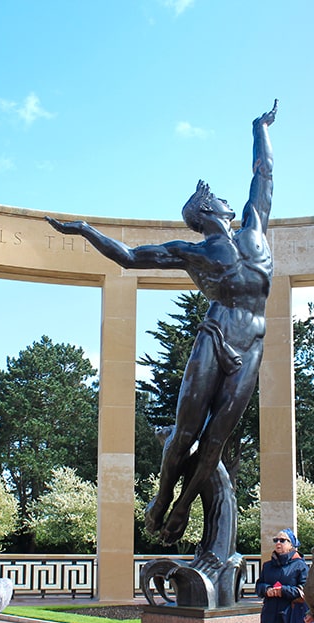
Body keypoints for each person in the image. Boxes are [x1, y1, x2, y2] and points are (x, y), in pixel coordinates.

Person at [45, 101, 277, 553]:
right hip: (216, 336)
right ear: (209, 208)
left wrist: (259, 128)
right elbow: (130, 258)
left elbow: (264, 174)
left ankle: (184, 505)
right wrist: (86, 230)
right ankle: (164, 490)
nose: (232, 199)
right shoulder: (193, 251)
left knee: (217, 437)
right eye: (221, 198)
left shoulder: (256, 229)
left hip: (253, 344)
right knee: (185, 432)